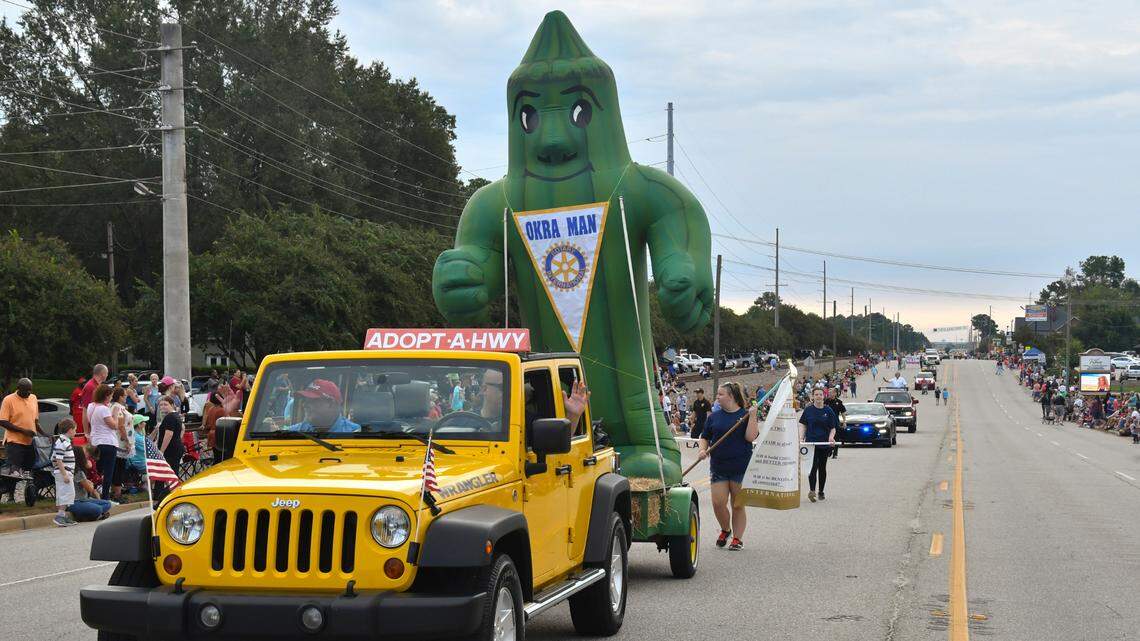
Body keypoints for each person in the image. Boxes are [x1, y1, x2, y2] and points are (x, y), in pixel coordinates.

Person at [697, 382, 760, 551]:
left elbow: (750, 437)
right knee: (718, 502)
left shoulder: (746, 415)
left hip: (741, 466)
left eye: (720, 394)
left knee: (738, 504)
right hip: (719, 467)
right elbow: (705, 436)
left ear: (731, 396)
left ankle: (737, 539)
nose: (717, 397)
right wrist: (703, 450)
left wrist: (753, 416)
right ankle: (726, 529)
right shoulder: (713, 417)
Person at [86, 384, 125, 500]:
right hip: (108, 442)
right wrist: (115, 414)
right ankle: (105, 497)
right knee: (108, 472)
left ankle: (92, 493)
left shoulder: (91, 406)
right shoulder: (103, 409)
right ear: (107, 396)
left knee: (95, 470)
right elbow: (114, 426)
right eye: (111, 396)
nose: (111, 398)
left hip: (95, 441)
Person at [799, 387, 838, 502]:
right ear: (813, 396)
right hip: (811, 443)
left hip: (824, 444)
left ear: (823, 396)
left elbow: (833, 428)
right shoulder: (808, 410)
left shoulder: (828, 411)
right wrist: (801, 437)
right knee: (812, 468)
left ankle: (821, 491)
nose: (818, 397)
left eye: (820, 394)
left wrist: (831, 437)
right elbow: (803, 425)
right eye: (816, 394)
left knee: (822, 468)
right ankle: (812, 490)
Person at [1, 378, 43, 479]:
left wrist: (44, 434)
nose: (28, 392)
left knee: (28, 472)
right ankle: (10, 493)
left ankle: (28, 492)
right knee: (14, 473)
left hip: (29, 442)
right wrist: (23, 431)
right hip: (14, 442)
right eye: (26, 390)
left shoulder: (33, 398)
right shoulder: (8, 399)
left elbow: (35, 420)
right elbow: (2, 421)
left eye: (30, 390)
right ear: (18, 388)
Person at [282, 380, 361, 433]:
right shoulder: (295, 431)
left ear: (330, 404)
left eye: (312, 400)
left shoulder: (355, 433)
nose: (304, 405)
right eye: (305, 400)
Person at [51, 418, 78, 527]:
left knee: (68, 494)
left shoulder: (63, 441)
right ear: (70, 430)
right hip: (64, 473)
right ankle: (60, 516)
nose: (76, 432)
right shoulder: (62, 442)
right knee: (66, 494)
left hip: (65, 472)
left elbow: (54, 458)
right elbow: (58, 459)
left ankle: (62, 516)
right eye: (75, 430)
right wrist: (64, 474)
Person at [156, 397, 186, 475]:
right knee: (172, 472)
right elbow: (183, 428)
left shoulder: (170, 417)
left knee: (167, 474)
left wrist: (161, 451)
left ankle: (164, 487)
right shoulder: (175, 414)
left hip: (170, 450)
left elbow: (169, 434)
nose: (162, 406)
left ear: (172, 405)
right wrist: (177, 439)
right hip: (175, 447)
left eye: (165, 404)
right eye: (161, 405)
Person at [79, 364, 109, 442]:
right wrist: (86, 433)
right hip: (93, 431)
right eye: (107, 373)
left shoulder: (97, 385)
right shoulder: (90, 387)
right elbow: (85, 410)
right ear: (102, 373)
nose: (107, 375)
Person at [69, 378, 86, 442]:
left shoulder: (85, 391)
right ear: (79, 384)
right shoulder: (76, 391)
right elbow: (71, 401)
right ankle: (78, 443)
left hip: (83, 412)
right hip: (77, 413)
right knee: (78, 429)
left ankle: (84, 442)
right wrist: (71, 410)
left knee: (84, 429)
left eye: (85, 383)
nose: (84, 384)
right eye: (83, 383)